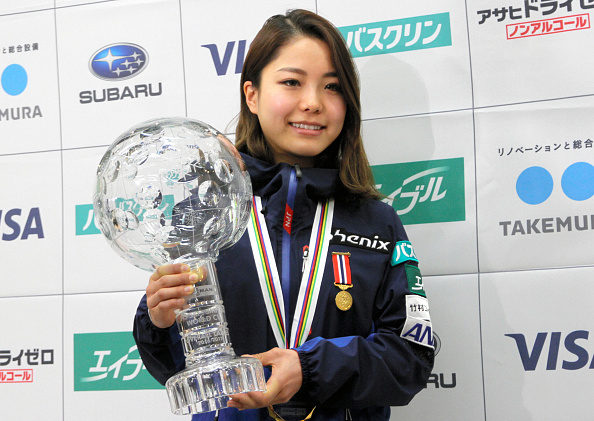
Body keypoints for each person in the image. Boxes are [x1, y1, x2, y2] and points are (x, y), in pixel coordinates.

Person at [133, 9, 434, 421]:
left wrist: (308, 370)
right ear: (252, 95)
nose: (312, 103)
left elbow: (411, 356)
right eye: (292, 82)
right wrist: (160, 321)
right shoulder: (206, 210)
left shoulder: (377, 221)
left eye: (332, 87)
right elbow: (177, 369)